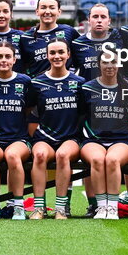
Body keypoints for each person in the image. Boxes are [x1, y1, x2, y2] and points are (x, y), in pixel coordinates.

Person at [26, 39, 85, 219]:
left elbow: (83, 113)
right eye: (52, 53)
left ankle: (60, 208)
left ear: (68, 54)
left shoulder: (80, 82)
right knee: (40, 155)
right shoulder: (37, 83)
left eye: (61, 52)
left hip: (71, 138)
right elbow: (29, 111)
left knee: (62, 155)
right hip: (44, 137)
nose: (57, 56)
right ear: (47, 55)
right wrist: (34, 134)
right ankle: (38, 207)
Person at [0, 41, 33, 220]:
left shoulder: (24, 81)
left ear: (14, 59)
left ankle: (18, 205)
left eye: (7, 56)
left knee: (13, 156)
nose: (4, 60)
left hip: (18, 138)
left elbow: (29, 109)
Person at [80, 46, 128, 219]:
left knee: (112, 160)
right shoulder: (87, 88)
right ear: (99, 65)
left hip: (121, 140)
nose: (110, 65)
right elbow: (80, 116)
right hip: (93, 140)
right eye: (105, 62)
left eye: (113, 61)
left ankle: (112, 207)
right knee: (97, 159)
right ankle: (101, 206)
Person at [20, 0, 80, 78]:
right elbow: (21, 65)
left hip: (65, 85)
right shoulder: (26, 38)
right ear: (37, 11)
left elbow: (81, 55)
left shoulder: (69, 31)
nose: (47, 11)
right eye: (43, 8)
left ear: (59, 12)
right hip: (38, 86)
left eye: (52, 8)